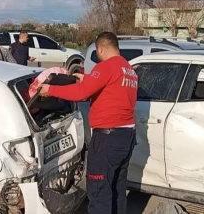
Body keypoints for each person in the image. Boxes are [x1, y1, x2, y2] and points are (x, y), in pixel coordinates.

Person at [40, 32, 138, 214]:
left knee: (99, 190)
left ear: (100, 48)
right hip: (126, 137)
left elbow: (81, 94)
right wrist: (87, 79)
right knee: (116, 190)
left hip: (107, 139)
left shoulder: (106, 66)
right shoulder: (128, 69)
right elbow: (110, 91)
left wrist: (51, 89)